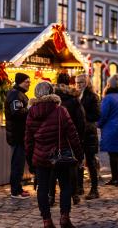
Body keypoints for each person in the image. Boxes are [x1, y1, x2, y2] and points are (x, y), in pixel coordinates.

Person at [25, 82, 83, 228]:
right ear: (52, 92)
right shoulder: (60, 110)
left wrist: (30, 161)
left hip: (40, 156)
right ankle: (64, 218)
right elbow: (73, 135)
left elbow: (28, 140)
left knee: (42, 188)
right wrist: (79, 155)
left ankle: (46, 221)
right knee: (66, 186)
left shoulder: (31, 112)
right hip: (60, 155)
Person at [51, 72, 86, 205]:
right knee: (71, 167)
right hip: (70, 138)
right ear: (69, 83)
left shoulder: (52, 98)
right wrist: (79, 138)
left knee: (53, 166)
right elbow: (81, 120)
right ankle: (75, 195)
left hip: (53, 137)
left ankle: (51, 196)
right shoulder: (73, 98)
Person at [98, 74, 118, 187]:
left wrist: (99, 124)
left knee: (113, 155)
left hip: (110, 129)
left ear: (109, 85)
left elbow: (103, 114)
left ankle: (115, 178)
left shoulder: (108, 98)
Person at [5, 72, 31, 199]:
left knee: (19, 163)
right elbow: (17, 112)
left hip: (19, 135)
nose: (29, 84)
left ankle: (18, 188)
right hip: (17, 135)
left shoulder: (19, 93)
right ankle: (15, 191)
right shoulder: (15, 94)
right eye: (27, 81)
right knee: (17, 163)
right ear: (20, 81)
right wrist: (30, 108)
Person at [75, 73, 100, 200]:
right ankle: (79, 187)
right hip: (78, 132)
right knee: (78, 160)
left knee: (90, 161)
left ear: (87, 83)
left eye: (81, 82)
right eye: (77, 82)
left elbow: (96, 115)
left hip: (89, 132)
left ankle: (94, 189)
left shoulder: (92, 96)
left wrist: (83, 118)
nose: (78, 85)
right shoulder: (75, 96)